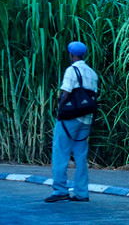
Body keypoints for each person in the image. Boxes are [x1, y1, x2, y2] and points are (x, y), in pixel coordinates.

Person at [44, 41, 98, 203]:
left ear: (71, 54)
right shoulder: (92, 73)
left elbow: (66, 93)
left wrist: (60, 110)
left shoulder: (72, 70)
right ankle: (82, 193)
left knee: (60, 152)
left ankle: (60, 190)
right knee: (81, 156)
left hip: (70, 118)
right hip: (86, 119)